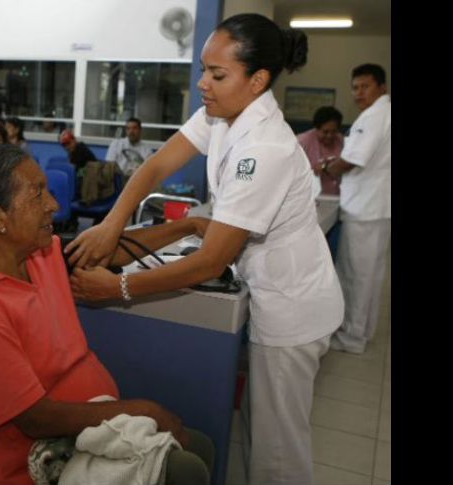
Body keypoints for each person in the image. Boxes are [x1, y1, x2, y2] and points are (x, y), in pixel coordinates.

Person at [66, 13, 344, 485]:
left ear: (257, 81)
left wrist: (119, 286)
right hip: (272, 292)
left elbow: (213, 258)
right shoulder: (221, 114)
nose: (203, 84)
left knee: (278, 453)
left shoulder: (266, 147)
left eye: (217, 74)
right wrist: (113, 224)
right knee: (262, 432)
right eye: (203, 70)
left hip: (293, 305)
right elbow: (155, 165)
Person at [0, 144, 215, 485]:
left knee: (201, 447)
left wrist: (188, 226)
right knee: (188, 471)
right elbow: (37, 420)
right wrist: (144, 410)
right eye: (38, 194)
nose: (53, 204)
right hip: (35, 462)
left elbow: (109, 250)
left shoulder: (36, 255)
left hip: (83, 434)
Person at [319, 64, 391, 355]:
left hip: (366, 209)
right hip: (375, 207)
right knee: (369, 276)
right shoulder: (382, 113)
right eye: (355, 87)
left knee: (356, 276)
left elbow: (352, 160)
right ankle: (361, 332)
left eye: (365, 87)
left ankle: (352, 337)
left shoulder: (374, 117)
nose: (359, 93)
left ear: (381, 88)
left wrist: (326, 167)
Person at [297, 106, 344, 195]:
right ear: (317, 128)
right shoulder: (302, 142)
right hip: (310, 195)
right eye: (325, 132)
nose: (329, 136)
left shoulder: (341, 141)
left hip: (335, 195)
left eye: (334, 131)